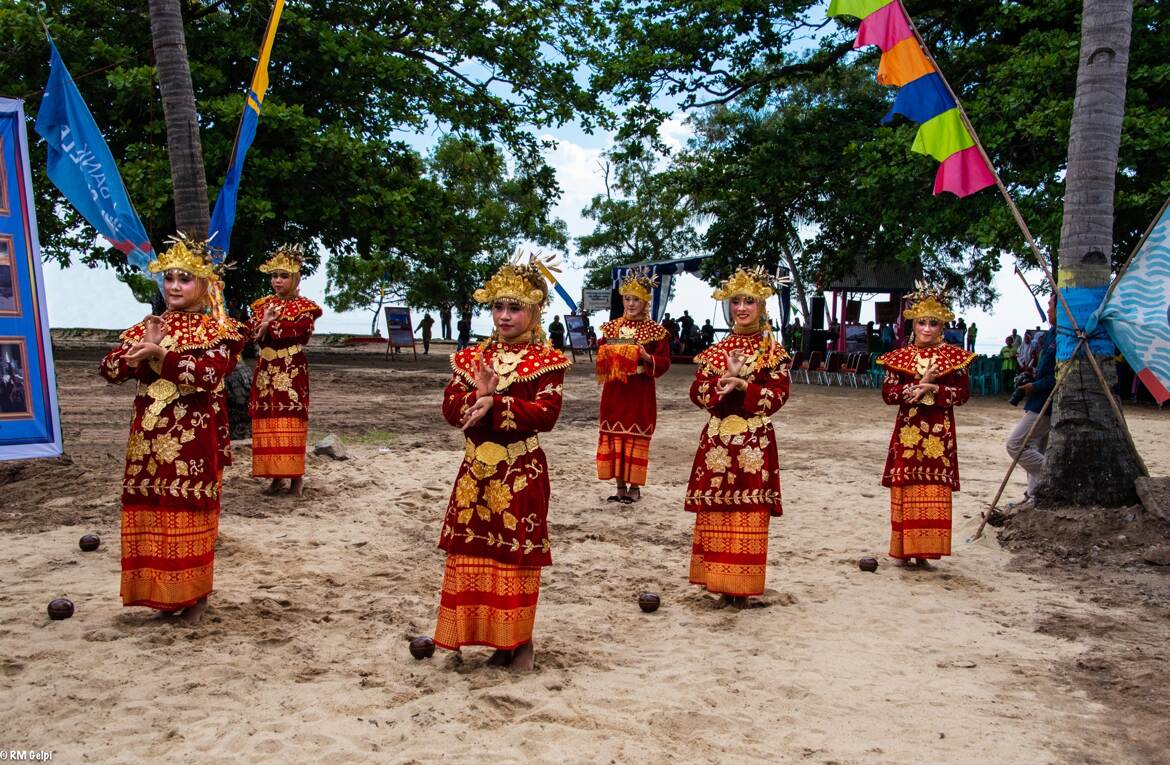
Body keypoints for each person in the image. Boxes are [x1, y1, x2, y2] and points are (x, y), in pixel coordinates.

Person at [98, 234, 247, 623]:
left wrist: (160, 355)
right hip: (147, 438)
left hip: (192, 439)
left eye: (185, 279)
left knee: (188, 508)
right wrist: (137, 354)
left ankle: (195, 597)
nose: (175, 286)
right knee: (151, 507)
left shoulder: (220, 331)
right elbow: (109, 371)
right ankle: (162, 596)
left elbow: (209, 373)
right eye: (169, 279)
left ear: (203, 285)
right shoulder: (149, 326)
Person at [431, 259, 570, 671]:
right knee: (473, 554)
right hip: (475, 473)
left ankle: (519, 643)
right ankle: (488, 639)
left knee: (516, 558)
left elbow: (547, 415)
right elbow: (449, 406)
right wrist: (476, 397)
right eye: (498, 307)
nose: (505, 316)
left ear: (535, 310)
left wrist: (498, 403)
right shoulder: (470, 357)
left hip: (520, 472)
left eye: (515, 307)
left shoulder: (548, 361)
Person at [685, 267, 791, 607]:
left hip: (752, 444)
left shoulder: (773, 352)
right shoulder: (717, 351)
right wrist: (720, 384)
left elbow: (778, 397)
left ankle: (742, 588)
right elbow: (696, 391)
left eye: (749, 301)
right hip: (717, 440)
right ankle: (718, 582)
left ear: (762, 306)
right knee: (717, 508)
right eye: (736, 302)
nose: (742, 308)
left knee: (748, 509)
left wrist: (745, 385)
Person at [876, 285, 974, 568]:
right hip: (908, 435)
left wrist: (932, 390)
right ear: (913, 323)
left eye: (933, 323)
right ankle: (905, 551)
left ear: (942, 325)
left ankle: (926, 552)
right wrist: (916, 388)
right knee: (907, 487)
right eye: (922, 322)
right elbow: (888, 394)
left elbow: (963, 395)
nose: (927, 329)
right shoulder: (900, 357)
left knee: (933, 487)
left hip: (939, 436)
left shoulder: (955, 358)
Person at [248, 246, 323, 497]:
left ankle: (295, 478)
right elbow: (250, 333)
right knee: (268, 422)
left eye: (284, 275)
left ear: (296, 278)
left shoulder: (306, 308)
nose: (278, 281)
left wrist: (269, 325)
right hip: (266, 370)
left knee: (291, 420)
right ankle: (275, 475)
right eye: (274, 275)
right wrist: (264, 324)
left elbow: (300, 332)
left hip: (291, 370)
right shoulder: (261, 305)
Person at [594, 268, 672, 504]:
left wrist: (647, 358)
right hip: (615, 389)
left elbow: (665, 361)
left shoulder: (656, 332)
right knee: (614, 436)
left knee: (636, 437)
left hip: (639, 391)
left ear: (645, 300)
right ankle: (619, 487)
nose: (630, 303)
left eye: (635, 299)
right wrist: (609, 354)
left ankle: (634, 488)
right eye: (627, 298)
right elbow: (600, 351)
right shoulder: (611, 328)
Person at [1005, 295, 1057, 508]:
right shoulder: (1051, 333)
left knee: (1016, 445)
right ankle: (1035, 495)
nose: (1048, 309)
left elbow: (1060, 375)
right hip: (1038, 400)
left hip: (1045, 403)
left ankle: (1054, 475)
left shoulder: (1064, 335)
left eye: (1051, 305)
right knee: (1036, 447)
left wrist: (1034, 386)